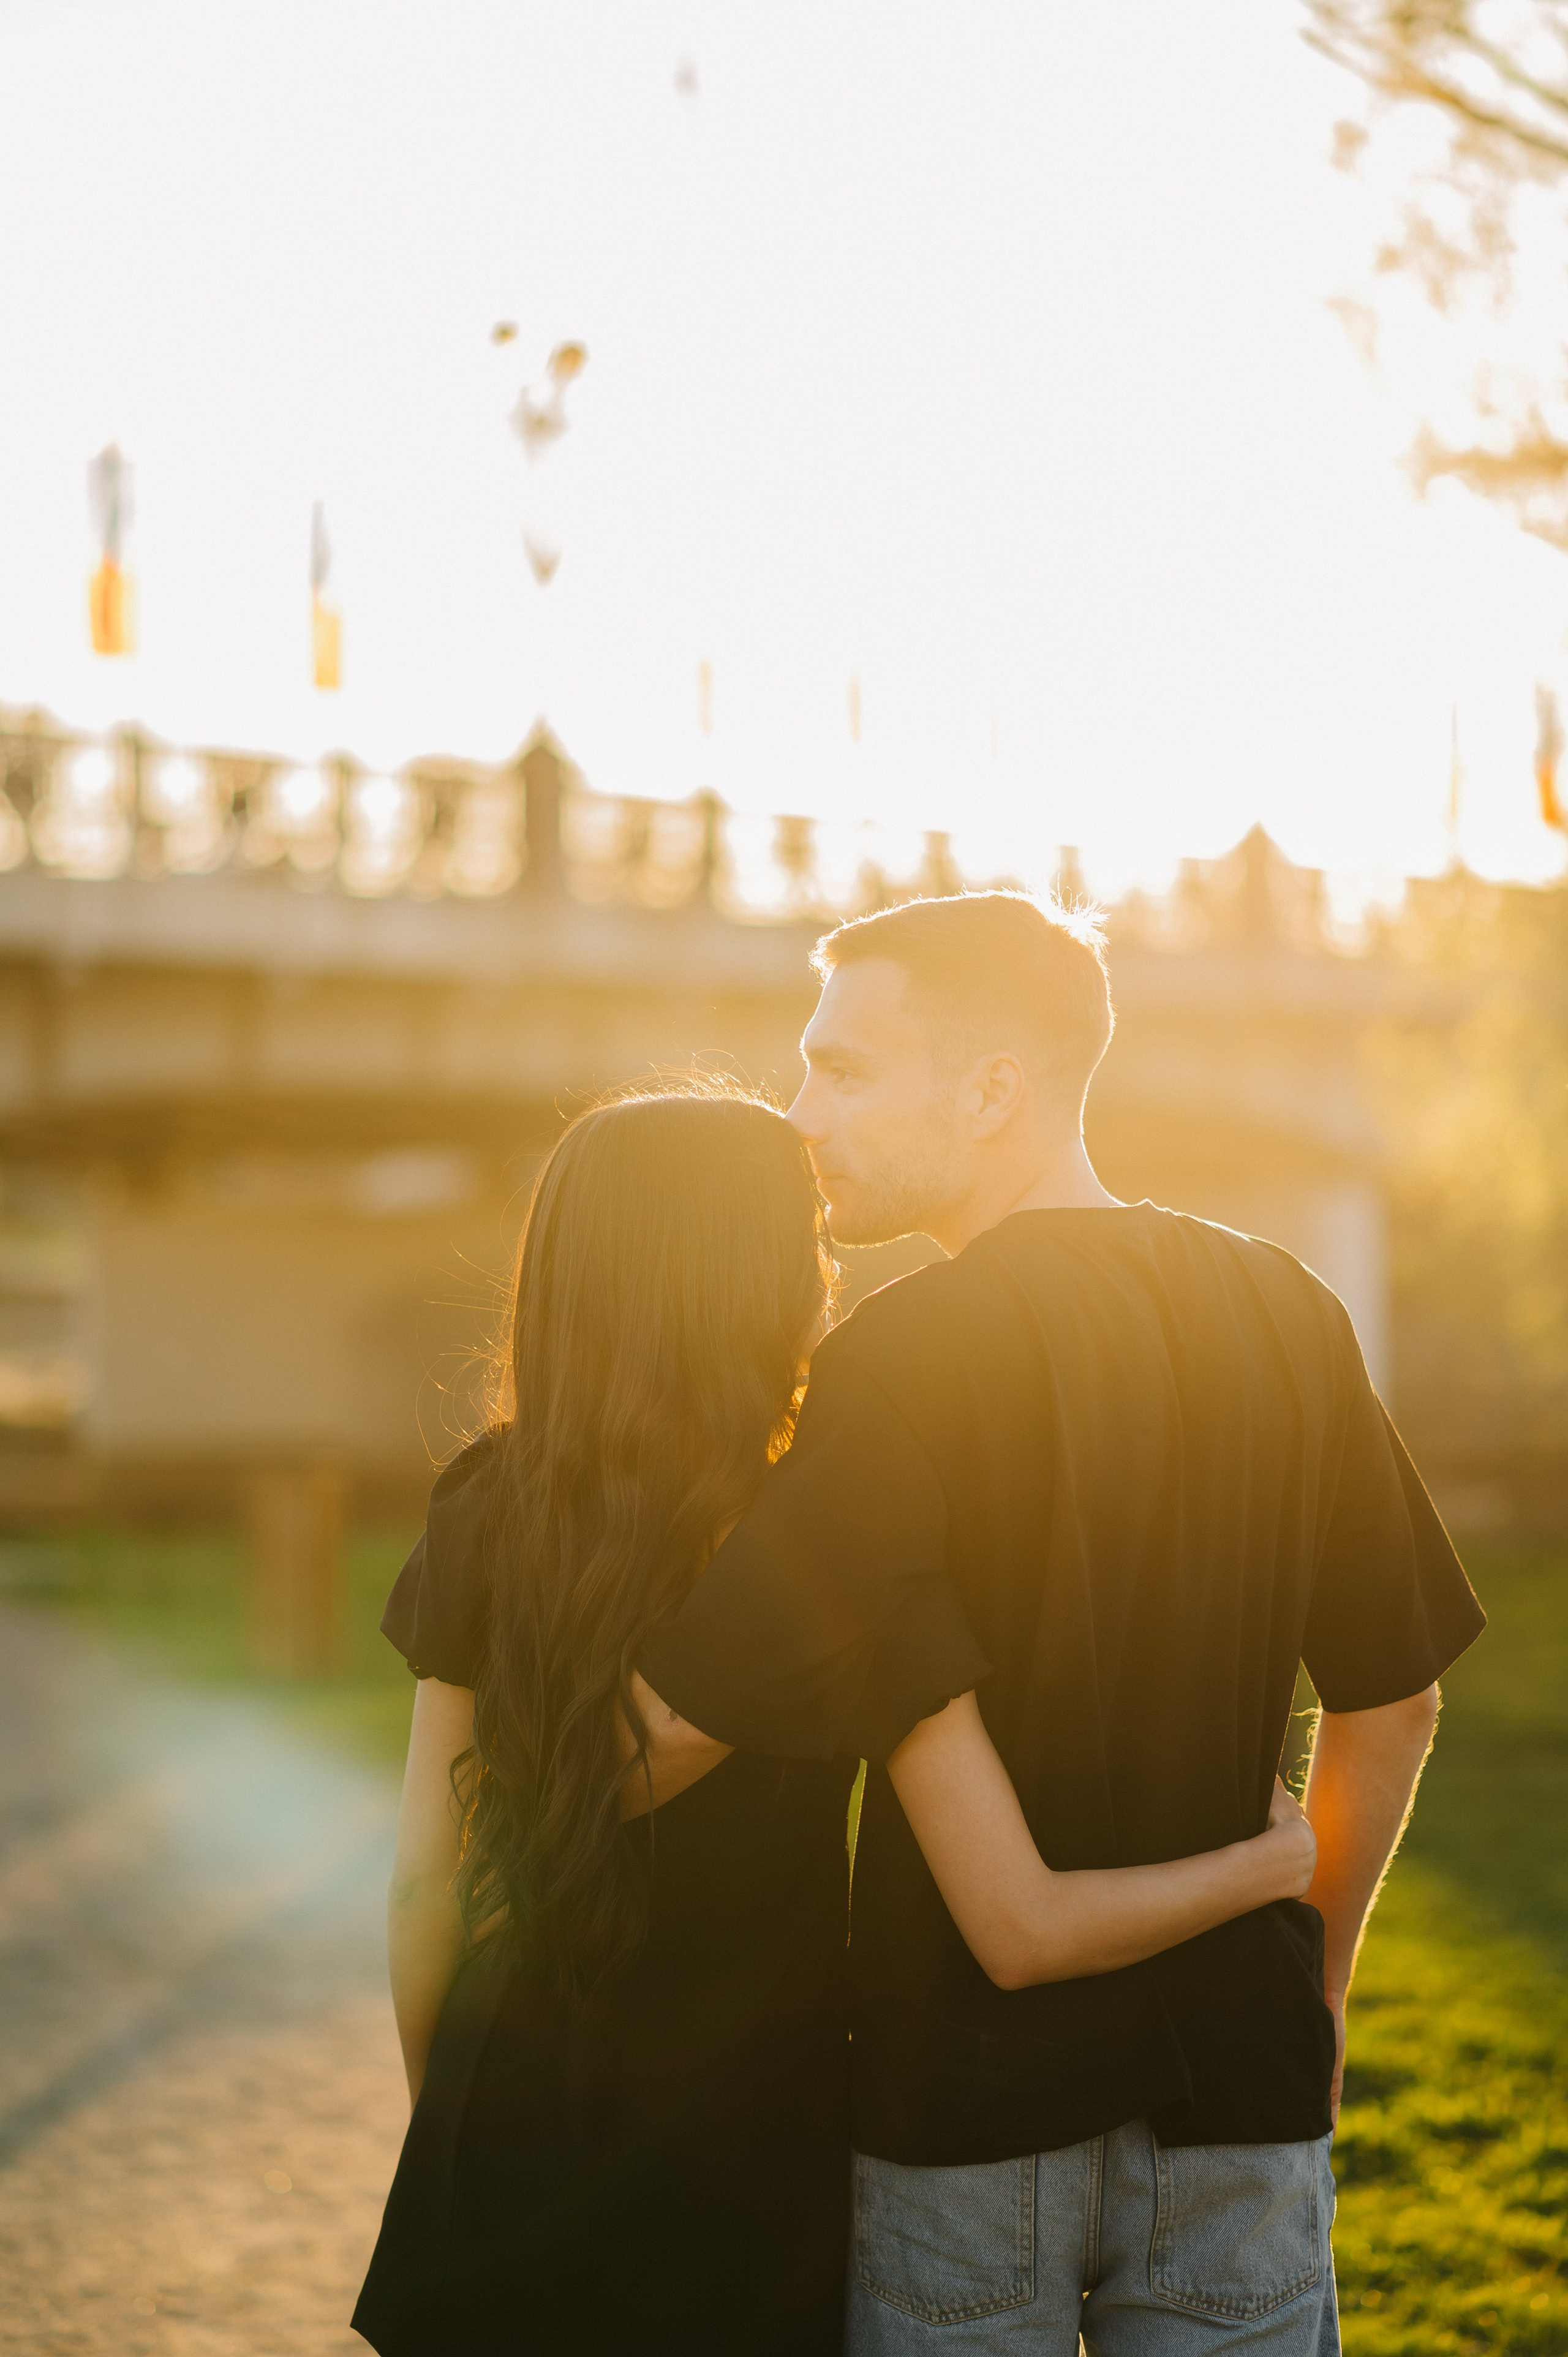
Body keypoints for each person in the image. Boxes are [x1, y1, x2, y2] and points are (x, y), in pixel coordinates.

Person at [638, 892, 1487, 2356]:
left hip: (965, 2107)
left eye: (840, 1070)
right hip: (1238, 2090)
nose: (798, 1115)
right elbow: (1392, 1699)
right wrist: (1318, 1981)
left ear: (988, 1090)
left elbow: (672, 1730)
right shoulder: (1289, 1309)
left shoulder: (898, 1356)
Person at [352, 1083, 1320, 2357]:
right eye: (807, 1241)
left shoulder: (482, 1500)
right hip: (749, 2149)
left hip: (507, 2115)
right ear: (754, 1281)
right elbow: (1014, 1913)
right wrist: (1269, 1859)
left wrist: (455, 2132)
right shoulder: (832, 1540)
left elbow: (427, 1888)